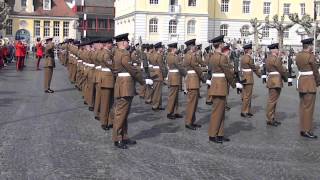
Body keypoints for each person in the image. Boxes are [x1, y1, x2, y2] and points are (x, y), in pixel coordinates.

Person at [112, 33, 150, 149]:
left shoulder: (117, 53)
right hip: (125, 85)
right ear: (123, 43)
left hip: (122, 84)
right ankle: (117, 138)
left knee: (124, 113)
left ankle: (124, 136)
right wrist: (143, 80)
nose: (128, 43)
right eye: (127, 41)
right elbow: (131, 70)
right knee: (121, 113)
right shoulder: (124, 54)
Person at [207, 35, 236, 143]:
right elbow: (227, 73)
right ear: (220, 45)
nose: (224, 44)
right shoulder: (222, 57)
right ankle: (213, 134)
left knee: (220, 111)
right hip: (220, 86)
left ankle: (219, 133)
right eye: (222, 43)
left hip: (216, 84)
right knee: (217, 112)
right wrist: (234, 83)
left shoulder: (212, 56)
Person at [295, 38, 320, 139]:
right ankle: (307, 130)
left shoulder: (298, 55)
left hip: (301, 82)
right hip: (309, 83)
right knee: (309, 108)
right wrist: (318, 82)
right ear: (309, 46)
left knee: (303, 107)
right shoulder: (311, 56)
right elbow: (315, 71)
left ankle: (303, 128)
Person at [183, 39, 206, 130]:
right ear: (191, 47)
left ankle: (192, 121)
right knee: (191, 103)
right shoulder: (190, 56)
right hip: (192, 80)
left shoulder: (189, 55)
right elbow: (196, 67)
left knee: (194, 103)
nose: (195, 47)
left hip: (193, 80)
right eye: (194, 46)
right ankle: (188, 122)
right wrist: (203, 77)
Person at [265, 43, 288, 127]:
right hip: (276, 80)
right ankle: (270, 118)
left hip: (271, 79)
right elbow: (281, 70)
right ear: (274, 50)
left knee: (272, 100)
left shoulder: (267, 59)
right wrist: (286, 78)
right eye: (277, 49)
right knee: (272, 101)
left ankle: (271, 117)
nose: (278, 51)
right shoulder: (276, 59)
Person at [240, 43, 261, 118]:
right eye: (251, 49)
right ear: (248, 50)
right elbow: (253, 67)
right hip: (249, 78)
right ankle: (244, 111)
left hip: (244, 77)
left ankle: (247, 110)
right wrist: (259, 74)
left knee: (246, 95)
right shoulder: (249, 58)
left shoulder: (242, 57)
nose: (252, 50)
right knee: (247, 96)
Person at [98, 38, 115, 130]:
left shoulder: (106, 52)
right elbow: (111, 65)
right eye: (111, 43)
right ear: (107, 44)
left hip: (108, 79)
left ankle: (110, 120)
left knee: (110, 102)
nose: (112, 45)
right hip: (106, 79)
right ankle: (104, 122)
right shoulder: (105, 53)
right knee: (105, 103)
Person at [166, 42, 185, 119]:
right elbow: (179, 66)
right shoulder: (174, 57)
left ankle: (176, 111)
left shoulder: (168, 56)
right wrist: (186, 74)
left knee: (175, 96)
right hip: (175, 77)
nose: (177, 49)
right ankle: (170, 112)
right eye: (176, 48)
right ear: (173, 49)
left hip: (172, 76)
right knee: (173, 96)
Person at [150, 42, 165, 111]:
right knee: (157, 91)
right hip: (158, 73)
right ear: (159, 48)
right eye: (161, 47)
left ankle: (158, 104)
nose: (162, 48)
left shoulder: (152, 54)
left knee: (157, 90)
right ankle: (155, 105)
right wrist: (164, 74)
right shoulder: (159, 56)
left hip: (154, 73)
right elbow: (161, 66)